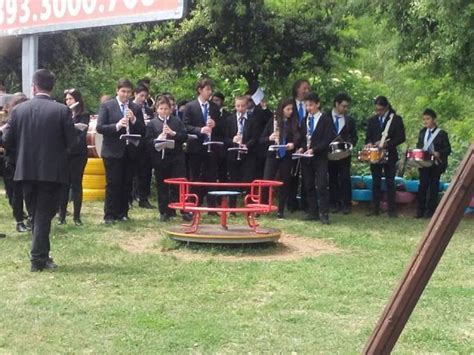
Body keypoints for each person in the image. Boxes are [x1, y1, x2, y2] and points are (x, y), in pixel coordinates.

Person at [3, 69, 77, 272]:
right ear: (52, 87)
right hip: (52, 172)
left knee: (36, 214)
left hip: (26, 170)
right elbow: (72, 142)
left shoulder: (19, 110)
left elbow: (6, 140)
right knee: (43, 215)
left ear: (34, 86)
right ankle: (37, 260)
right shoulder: (62, 111)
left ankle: (43, 256)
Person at [96, 79, 146, 224]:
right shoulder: (107, 106)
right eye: (123, 91)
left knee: (127, 183)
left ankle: (123, 213)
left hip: (130, 150)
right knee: (113, 183)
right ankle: (109, 215)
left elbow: (143, 130)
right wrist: (117, 126)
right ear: (117, 91)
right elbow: (100, 127)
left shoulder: (135, 108)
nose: (125, 95)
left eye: (128, 92)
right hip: (112, 150)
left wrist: (134, 120)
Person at [146, 96, 191, 222]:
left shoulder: (176, 122)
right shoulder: (152, 123)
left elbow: (184, 136)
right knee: (162, 186)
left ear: (171, 109)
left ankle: (183, 210)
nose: (164, 111)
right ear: (157, 110)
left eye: (166, 109)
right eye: (161, 109)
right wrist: (158, 139)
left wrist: (173, 133)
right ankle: (164, 212)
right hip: (160, 158)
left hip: (176, 157)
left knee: (178, 184)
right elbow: (148, 141)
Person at [183, 78, 223, 208]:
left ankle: (211, 206)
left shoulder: (214, 108)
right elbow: (185, 126)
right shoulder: (190, 106)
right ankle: (194, 204)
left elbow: (221, 128)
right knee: (195, 176)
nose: (210, 92)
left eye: (211, 89)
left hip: (211, 147)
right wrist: (200, 130)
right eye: (207, 89)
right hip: (196, 147)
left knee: (211, 176)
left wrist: (215, 125)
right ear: (200, 90)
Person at [365, 96, 406, 217]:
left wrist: (388, 143)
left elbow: (401, 137)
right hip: (375, 154)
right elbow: (368, 136)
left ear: (386, 107)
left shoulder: (396, 119)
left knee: (390, 181)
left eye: (381, 109)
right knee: (375, 181)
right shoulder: (372, 120)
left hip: (390, 154)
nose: (379, 112)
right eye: (377, 109)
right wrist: (369, 143)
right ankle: (374, 208)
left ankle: (391, 210)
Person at [297, 92, 332, 224]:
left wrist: (314, 149)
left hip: (320, 157)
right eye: (306, 106)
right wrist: (301, 148)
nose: (308, 108)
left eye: (311, 105)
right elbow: (301, 138)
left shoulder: (325, 120)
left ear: (318, 104)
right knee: (308, 184)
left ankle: (324, 213)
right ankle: (313, 212)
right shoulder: (304, 120)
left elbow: (327, 139)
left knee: (322, 184)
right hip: (306, 157)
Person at [261, 98, 299, 219]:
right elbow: (261, 139)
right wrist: (270, 138)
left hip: (286, 155)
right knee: (267, 179)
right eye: (288, 109)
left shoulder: (294, 122)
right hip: (273, 154)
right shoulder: (273, 121)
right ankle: (262, 206)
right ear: (281, 109)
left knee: (285, 181)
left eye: (292, 109)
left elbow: (298, 139)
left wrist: (293, 145)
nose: (290, 111)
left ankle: (280, 210)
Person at [57, 89, 90, 226]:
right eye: (66, 99)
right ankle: (62, 216)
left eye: (70, 99)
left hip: (78, 154)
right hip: (65, 153)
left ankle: (77, 217)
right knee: (64, 185)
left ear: (77, 99)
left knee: (76, 184)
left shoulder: (84, 114)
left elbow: (82, 134)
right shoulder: (63, 113)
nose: (68, 101)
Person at [1, 95, 30, 232]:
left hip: (26, 159)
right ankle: (19, 221)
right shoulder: (10, 121)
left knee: (29, 191)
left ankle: (30, 218)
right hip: (14, 160)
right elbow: (5, 141)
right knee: (17, 193)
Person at [415, 108, 451, 218]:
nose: (425, 121)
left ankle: (430, 212)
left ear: (434, 119)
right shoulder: (422, 132)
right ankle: (420, 211)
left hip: (436, 164)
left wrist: (439, 153)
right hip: (424, 164)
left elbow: (448, 149)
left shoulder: (441, 134)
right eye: (424, 119)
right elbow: (419, 146)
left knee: (433, 187)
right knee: (422, 186)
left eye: (428, 119)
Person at [224, 96, 259, 207]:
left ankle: (249, 206)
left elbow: (255, 137)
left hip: (247, 155)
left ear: (246, 105)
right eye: (238, 106)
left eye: (243, 106)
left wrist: (246, 145)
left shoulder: (252, 119)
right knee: (233, 181)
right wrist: (232, 140)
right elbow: (225, 138)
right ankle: (232, 207)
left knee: (248, 179)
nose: (240, 108)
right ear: (235, 106)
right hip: (233, 154)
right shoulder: (229, 120)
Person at [327, 92, 358, 214]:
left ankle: (346, 204)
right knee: (332, 178)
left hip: (344, 153)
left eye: (347, 107)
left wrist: (349, 144)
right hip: (330, 153)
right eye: (343, 106)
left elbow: (354, 137)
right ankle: (333, 203)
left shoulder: (349, 120)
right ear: (336, 104)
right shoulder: (326, 117)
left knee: (345, 177)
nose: (345, 109)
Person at [288, 79, 311, 212]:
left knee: (307, 175)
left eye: (308, 88)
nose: (307, 91)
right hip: (292, 143)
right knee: (292, 175)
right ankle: (291, 203)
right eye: (304, 88)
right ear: (297, 89)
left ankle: (305, 203)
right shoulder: (290, 104)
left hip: (307, 143)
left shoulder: (310, 106)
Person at [133, 84, 155, 209]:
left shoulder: (148, 109)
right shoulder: (130, 107)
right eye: (141, 95)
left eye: (145, 96)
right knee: (133, 172)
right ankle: (132, 196)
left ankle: (143, 198)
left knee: (146, 172)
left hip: (146, 144)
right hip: (135, 142)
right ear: (135, 94)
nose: (143, 98)